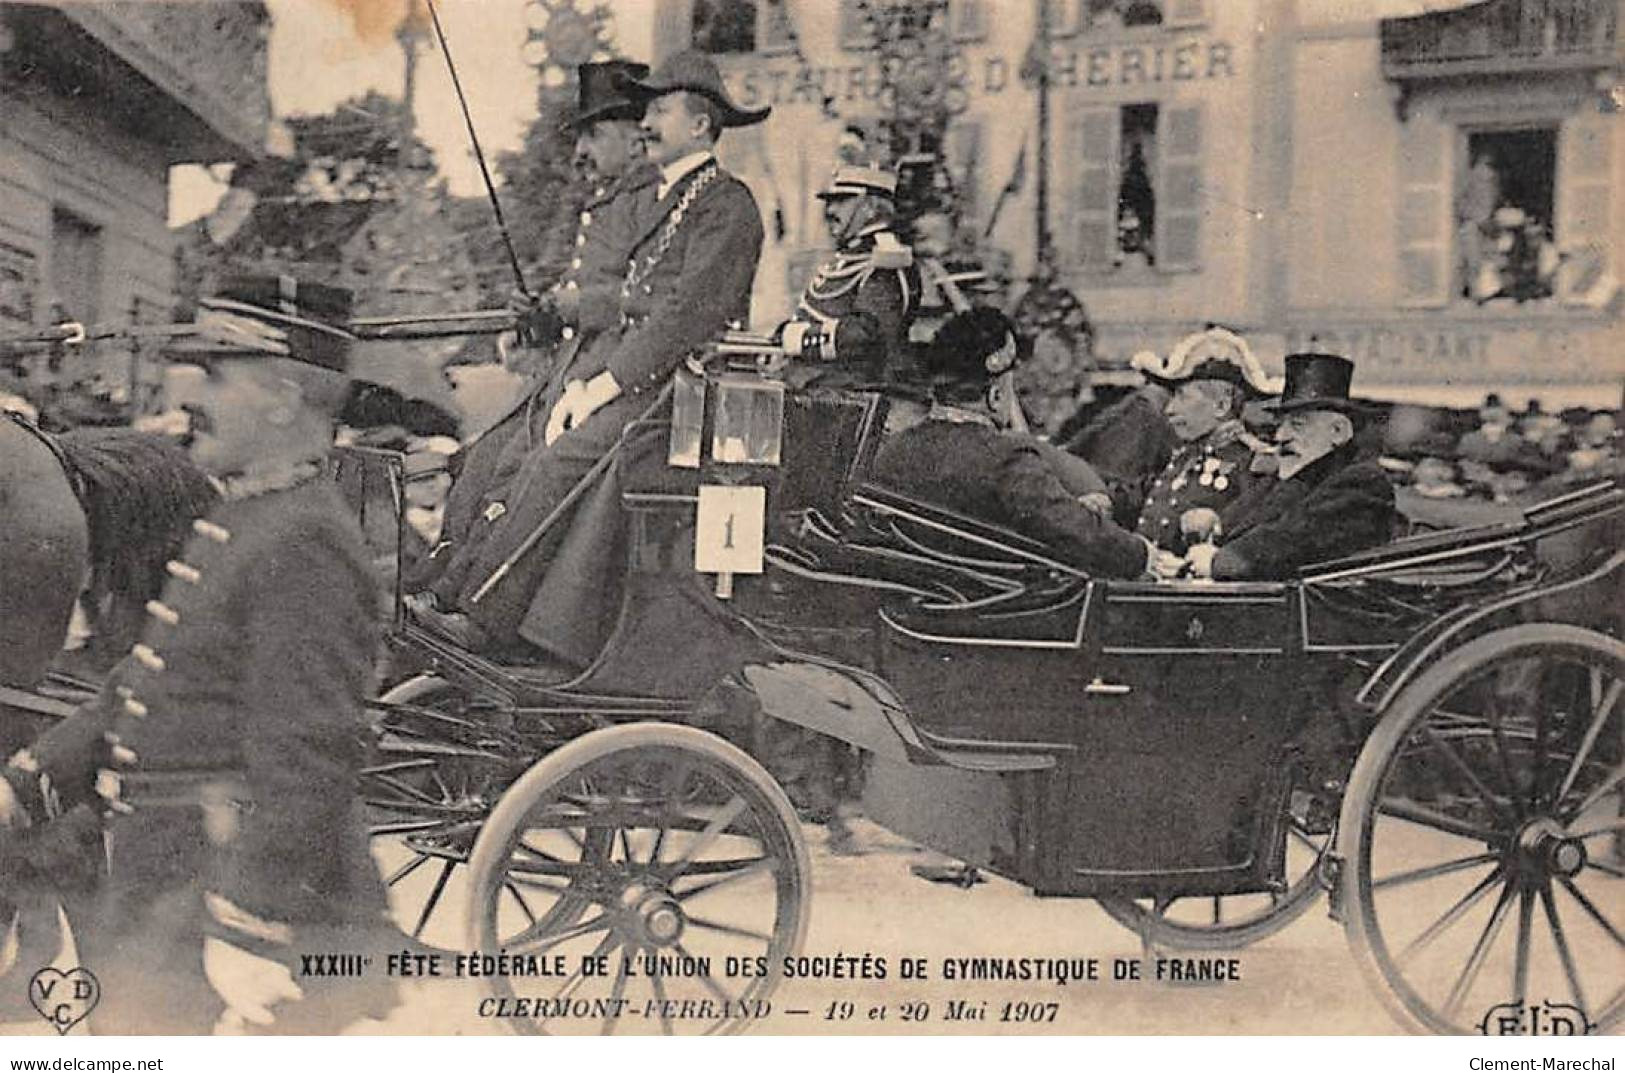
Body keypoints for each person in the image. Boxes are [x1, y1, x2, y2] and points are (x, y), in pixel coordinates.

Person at [0, 282, 398, 1034]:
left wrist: (251, 924)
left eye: (215, 375)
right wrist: (31, 778)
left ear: (281, 396)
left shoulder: (305, 539)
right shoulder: (246, 512)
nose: (189, 393)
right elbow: (146, 680)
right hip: (165, 876)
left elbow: (309, 754)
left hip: (216, 899)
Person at [414, 51, 769, 652]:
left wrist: (605, 383)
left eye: (659, 110)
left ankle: (487, 622)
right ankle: (454, 591)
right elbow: (635, 300)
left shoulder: (727, 205)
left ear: (701, 124)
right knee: (521, 457)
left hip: (684, 395)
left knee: (558, 461)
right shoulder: (678, 199)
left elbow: (682, 315)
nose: (647, 122)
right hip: (647, 379)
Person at [419, 59, 657, 590]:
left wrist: (560, 310)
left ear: (638, 137)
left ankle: (477, 594)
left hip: (609, 377)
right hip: (569, 371)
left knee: (516, 472)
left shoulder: (653, 203)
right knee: (481, 460)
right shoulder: (608, 203)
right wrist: (539, 315)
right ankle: (454, 576)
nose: (581, 154)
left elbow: (637, 300)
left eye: (593, 135)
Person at [872, 309, 1154, 579]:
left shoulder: (895, 450)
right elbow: (1074, 532)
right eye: (1011, 388)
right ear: (995, 395)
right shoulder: (1005, 459)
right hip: (998, 615)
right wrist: (1144, 555)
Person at [1185, 353, 1397, 581]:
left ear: (1338, 432)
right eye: (1280, 425)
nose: (1280, 435)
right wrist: (1214, 524)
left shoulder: (1362, 482)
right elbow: (1238, 523)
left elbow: (1292, 539)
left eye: (1298, 424)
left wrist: (1216, 561)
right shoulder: (1290, 475)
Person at [1122, 328, 1273, 563]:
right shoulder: (1185, 456)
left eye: (1182, 396)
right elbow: (1145, 496)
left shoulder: (1252, 461)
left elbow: (1255, 531)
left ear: (1221, 406)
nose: (1169, 410)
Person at [780, 163, 921, 390]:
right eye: (830, 201)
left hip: (857, 393)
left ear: (870, 207)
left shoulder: (887, 258)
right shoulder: (848, 255)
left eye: (842, 201)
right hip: (819, 386)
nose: (830, 211)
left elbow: (866, 336)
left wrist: (797, 339)